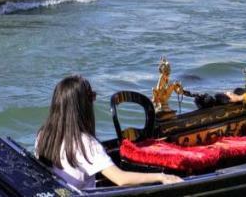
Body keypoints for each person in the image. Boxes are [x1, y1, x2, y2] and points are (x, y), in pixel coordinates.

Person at [35, 75, 181, 189]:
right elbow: (121, 179)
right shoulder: (86, 143)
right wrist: (162, 177)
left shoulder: (43, 135)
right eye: (91, 97)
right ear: (83, 107)